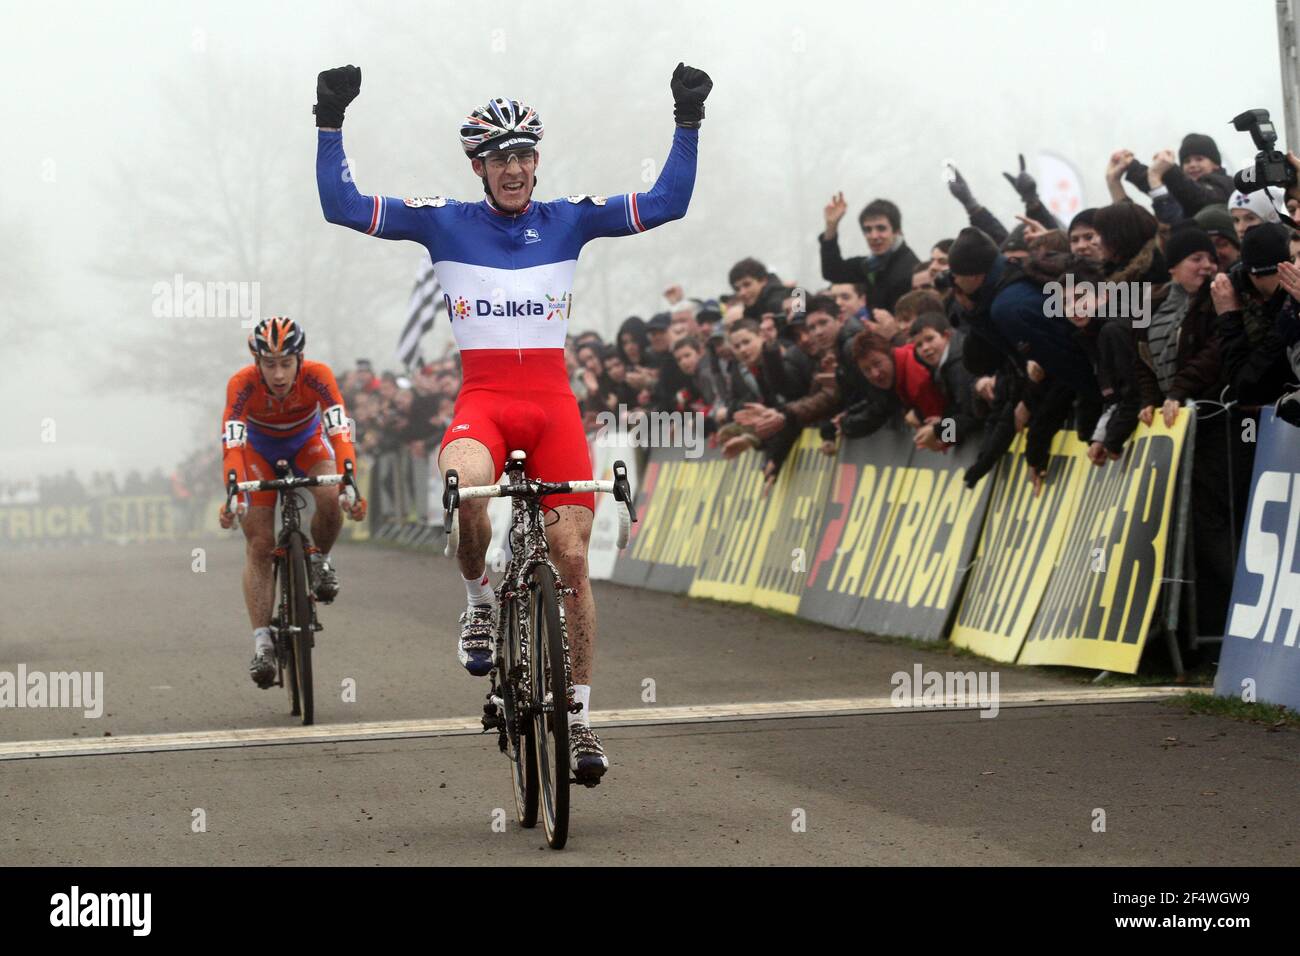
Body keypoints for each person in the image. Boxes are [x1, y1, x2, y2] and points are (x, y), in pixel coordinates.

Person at [313, 61, 711, 783]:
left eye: (525, 153)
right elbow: (342, 205)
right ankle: (476, 603)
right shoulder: (443, 222)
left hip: (554, 409)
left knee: (570, 561)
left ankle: (581, 721)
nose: (515, 168)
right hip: (486, 406)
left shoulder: (570, 217)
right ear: (478, 166)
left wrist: (688, 121)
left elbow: (668, 202)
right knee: (466, 493)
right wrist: (329, 122)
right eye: (500, 157)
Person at [218, 317, 368, 688]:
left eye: (286, 363)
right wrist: (234, 491)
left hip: (306, 444)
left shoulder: (319, 375)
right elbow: (232, 444)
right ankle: (263, 642)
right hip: (258, 451)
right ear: (257, 362)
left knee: (330, 497)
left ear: (300, 359)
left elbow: (340, 431)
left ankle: (319, 559)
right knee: (260, 543)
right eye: (269, 364)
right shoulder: (241, 384)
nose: (279, 374)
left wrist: (350, 480)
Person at [818, 196, 921, 311]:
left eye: (881, 228)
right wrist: (831, 226)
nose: (874, 236)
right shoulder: (870, 265)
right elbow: (832, 271)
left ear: (896, 231)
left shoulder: (910, 268)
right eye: (868, 230)